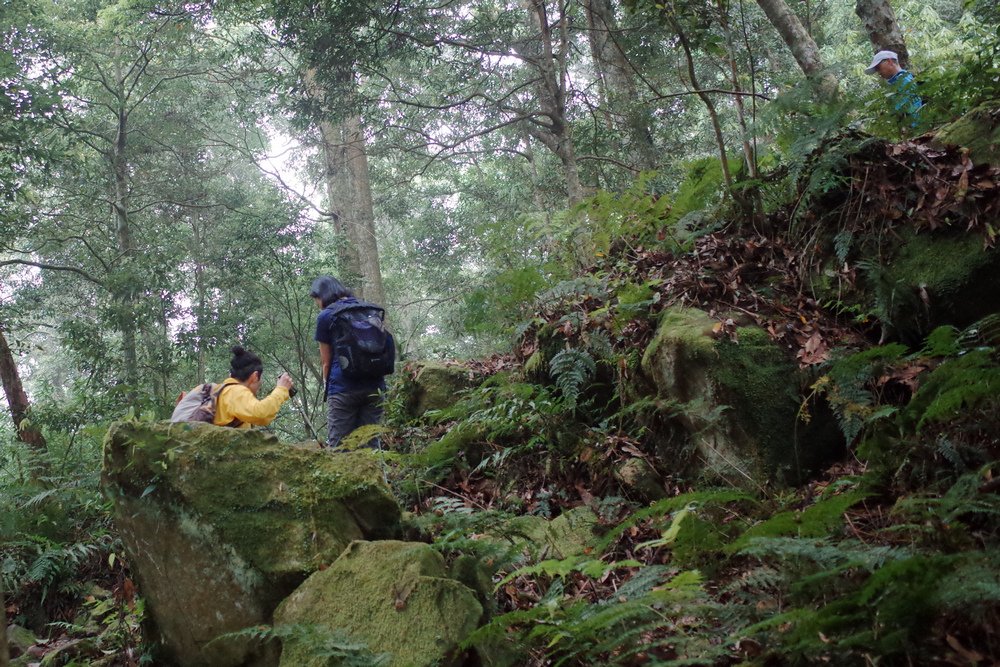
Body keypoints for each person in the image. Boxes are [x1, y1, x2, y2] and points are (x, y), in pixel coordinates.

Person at [310, 275, 390, 449]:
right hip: (375, 386)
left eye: (316, 299)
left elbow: (326, 362)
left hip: (343, 389)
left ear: (322, 296)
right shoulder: (367, 309)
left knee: (340, 448)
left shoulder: (326, 316)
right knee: (371, 447)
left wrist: (328, 387)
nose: (317, 304)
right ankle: (377, 476)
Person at [213, 346, 294, 428]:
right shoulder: (235, 392)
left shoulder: (217, 391)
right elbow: (261, 415)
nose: (260, 384)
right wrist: (281, 390)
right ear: (255, 376)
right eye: (260, 379)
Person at [865, 50, 923, 124]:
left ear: (890, 61)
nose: (878, 73)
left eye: (878, 68)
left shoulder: (904, 80)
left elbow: (909, 110)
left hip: (915, 129)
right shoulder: (896, 82)